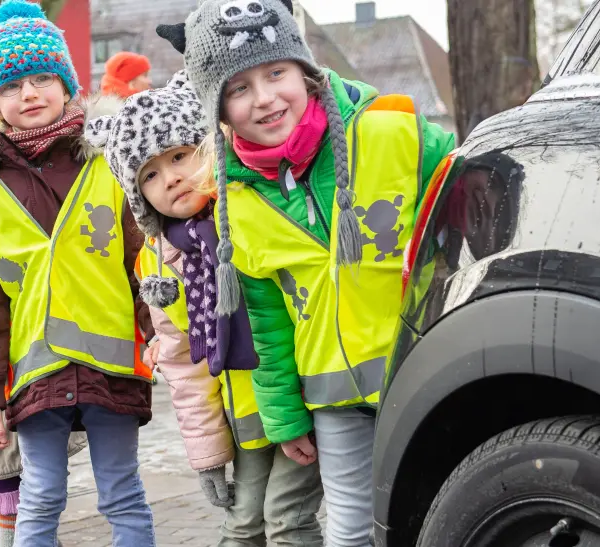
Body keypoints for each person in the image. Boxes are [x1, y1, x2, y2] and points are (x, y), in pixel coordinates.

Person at [163, 1, 456, 544]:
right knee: (349, 533)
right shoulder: (236, 206)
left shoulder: (396, 135)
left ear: (305, 72)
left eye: (276, 73)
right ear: (218, 111)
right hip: (334, 398)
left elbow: (470, 224)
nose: (266, 98)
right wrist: (285, 418)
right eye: (239, 87)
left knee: (439, 515)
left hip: (426, 374)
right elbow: (267, 326)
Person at [86, 68, 325, 546]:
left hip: (303, 396)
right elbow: (182, 363)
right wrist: (209, 454)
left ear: (207, 149)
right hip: (246, 422)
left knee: (285, 521)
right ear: (138, 195)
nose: (171, 178)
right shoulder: (157, 263)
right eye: (150, 174)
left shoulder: (252, 211)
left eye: (179, 156)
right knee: (241, 526)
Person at [0, 2, 156, 546]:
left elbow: (142, 258)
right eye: (10, 87)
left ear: (66, 84)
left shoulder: (109, 160)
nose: (28, 94)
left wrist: (158, 334)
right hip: (34, 372)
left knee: (121, 490)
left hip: (112, 366)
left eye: (41, 78)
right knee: (42, 494)